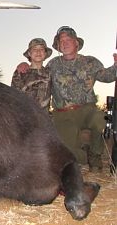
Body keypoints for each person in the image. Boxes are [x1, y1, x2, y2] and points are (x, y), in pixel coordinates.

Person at [16, 26, 117, 171]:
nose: (64, 43)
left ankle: (95, 155)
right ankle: (82, 156)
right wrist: (25, 63)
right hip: (62, 114)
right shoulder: (52, 64)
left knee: (100, 118)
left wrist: (116, 66)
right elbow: (38, 71)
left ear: (76, 43)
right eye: (61, 41)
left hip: (87, 110)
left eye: (68, 39)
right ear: (58, 46)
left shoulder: (91, 62)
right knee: (70, 153)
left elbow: (107, 77)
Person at [11, 38, 52, 112]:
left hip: (44, 119)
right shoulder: (20, 72)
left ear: (45, 54)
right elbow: (13, 97)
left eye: (41, 49)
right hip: (25, 117)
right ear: (29, 53)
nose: (38, 52)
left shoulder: (50, 73)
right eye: (34, 49)